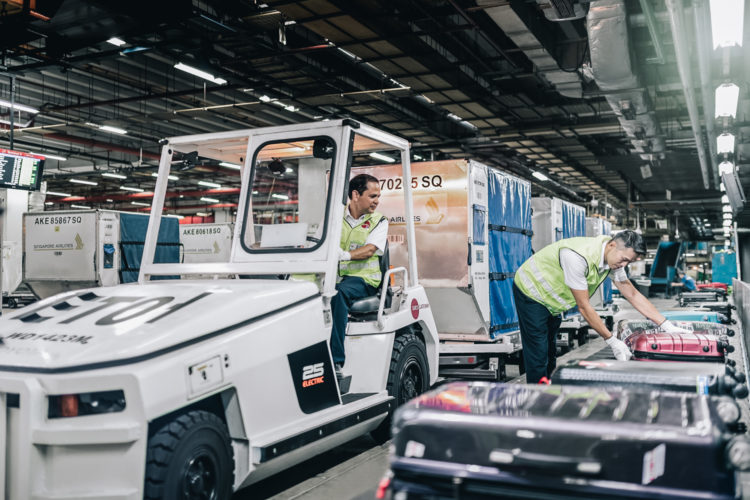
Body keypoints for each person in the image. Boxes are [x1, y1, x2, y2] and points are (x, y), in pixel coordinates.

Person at [513, 230, 691, 384]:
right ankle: (535, 401)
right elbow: (584, 307)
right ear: (612, 245)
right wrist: (612, 340)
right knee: (538, 353)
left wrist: (666, 324)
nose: (623, 265)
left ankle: (547, 390)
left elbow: (632, 294)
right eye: (623, 260)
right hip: (531, 292)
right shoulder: (577, 257)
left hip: (553, 303)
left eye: (628, 262)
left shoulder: (613, 258)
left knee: (550, 352)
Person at [331, 174, 388, 376]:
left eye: (378, 196)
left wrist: (344, 255)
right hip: (338, 277)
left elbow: (370, 250)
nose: (377, 201)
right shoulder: (335, 219)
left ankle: (335, 360)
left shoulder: (379, 221)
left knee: (338, 294)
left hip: (365, 280)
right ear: (356, 195)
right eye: (372, 196)